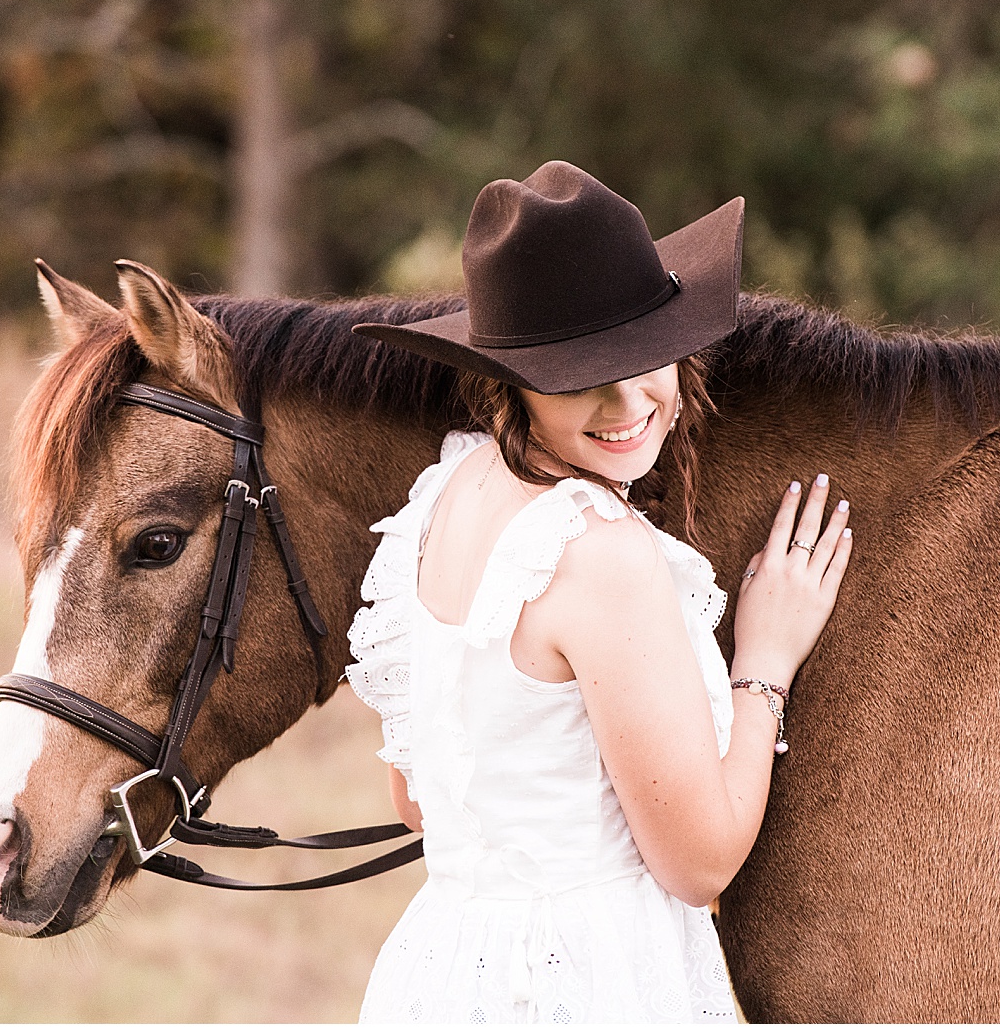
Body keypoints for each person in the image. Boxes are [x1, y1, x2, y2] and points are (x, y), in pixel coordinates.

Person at [346, 161, 852, 1023]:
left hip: (440, 972)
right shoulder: (595, 551)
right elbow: (699, 864)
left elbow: (416, 799)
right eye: (580, 374)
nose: (627, 402)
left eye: (643, 357)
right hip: (584, 982)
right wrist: (765, 660)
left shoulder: (444, 496)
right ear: (510, 381)